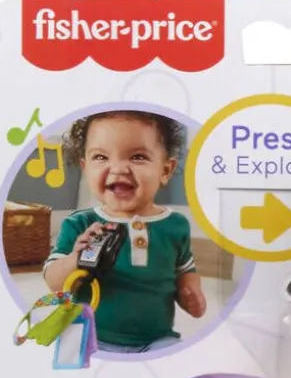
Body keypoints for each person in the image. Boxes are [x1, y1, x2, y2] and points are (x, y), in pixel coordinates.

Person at [43, 110, 206, 352]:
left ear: (165, 170)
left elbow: (185, 269)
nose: (118, 169)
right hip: (91, 337)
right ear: (85, 168)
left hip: (156, 339)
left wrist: (191, 292)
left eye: (138, 157)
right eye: (101, 157)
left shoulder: (175, 224)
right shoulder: (79, 224)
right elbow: (54, 282)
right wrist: (76, 259)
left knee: (180, 359)